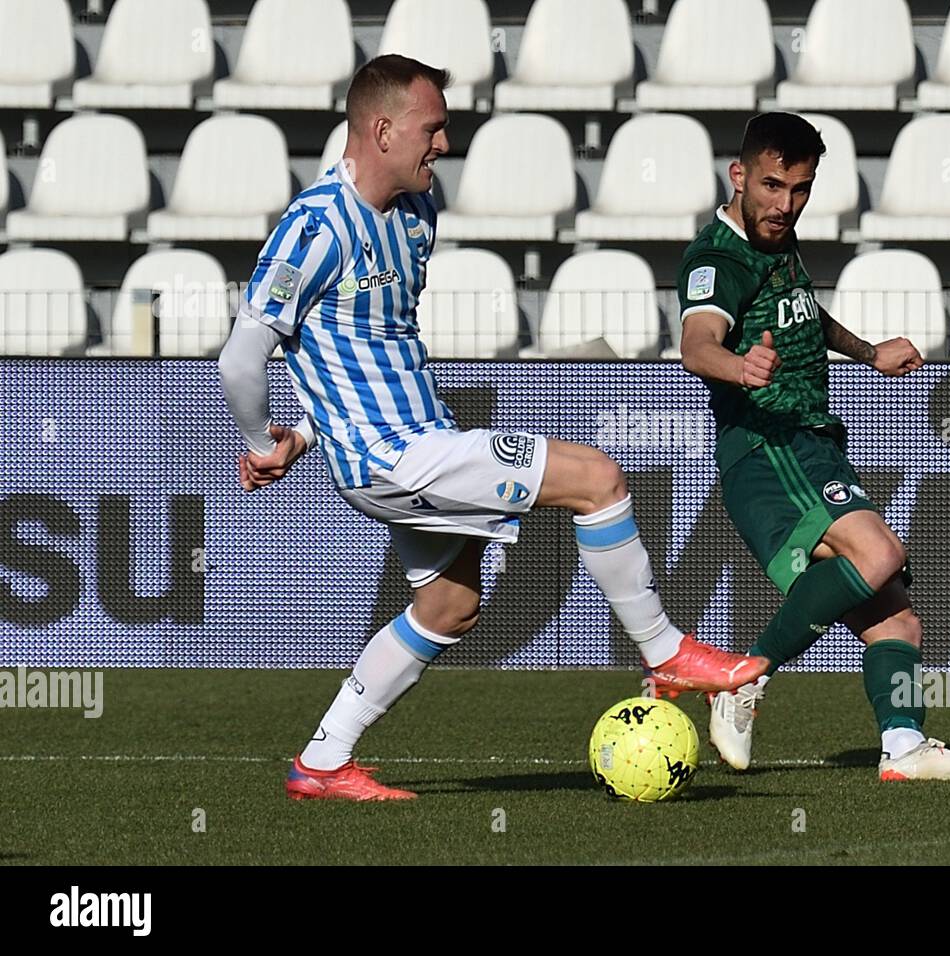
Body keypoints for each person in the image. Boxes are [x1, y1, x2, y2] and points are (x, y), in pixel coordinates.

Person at [218, 55, 768, 802]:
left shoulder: (417, 211)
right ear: (382, 131)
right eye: (432, 127)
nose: (444, 142)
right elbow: (242, 357)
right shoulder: (314, 228)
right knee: (598, 480)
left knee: (450, 605)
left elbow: (358, 346)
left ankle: (322, 762)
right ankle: (666, 653)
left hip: (413, 436)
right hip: (393, 457)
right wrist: (260, 444)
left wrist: (307, 435)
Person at [675, 112, 950, 781]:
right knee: (880, 552)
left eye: (799, 189)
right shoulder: (720, 258)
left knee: (898, 625)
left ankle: (904, 747)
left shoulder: (777, 245)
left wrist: (867, 351)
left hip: (808, 445)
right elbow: (697, 342)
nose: (784, 203)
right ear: (739, 176)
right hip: (770, 447)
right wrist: (736, 367)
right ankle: (743, 676)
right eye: (771, 185)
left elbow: (802, 311)